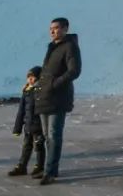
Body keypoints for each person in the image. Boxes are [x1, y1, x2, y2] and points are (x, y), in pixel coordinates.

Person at [34, 17, 82, 186]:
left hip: (58, 98)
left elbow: (74, 71)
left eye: (56, 28)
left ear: (66, 29)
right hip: (45, 97)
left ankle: (50, 172)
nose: (52, 31)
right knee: (47, 137)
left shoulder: (70, 47)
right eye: (51, 29)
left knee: (54, 135)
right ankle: (51, 169)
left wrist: (55, 84)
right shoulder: (52, 47)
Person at [8, 66, 45, 179]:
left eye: (33, 77)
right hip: (28, 126)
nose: (30, 79)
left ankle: (39, 166)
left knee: (39, 147)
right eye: (28, 77)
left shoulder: (40, 91)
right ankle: (22, 166)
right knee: (26, 147)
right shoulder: (26, 91)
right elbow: (21, 111)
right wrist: (17, 128)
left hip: (38, 126)